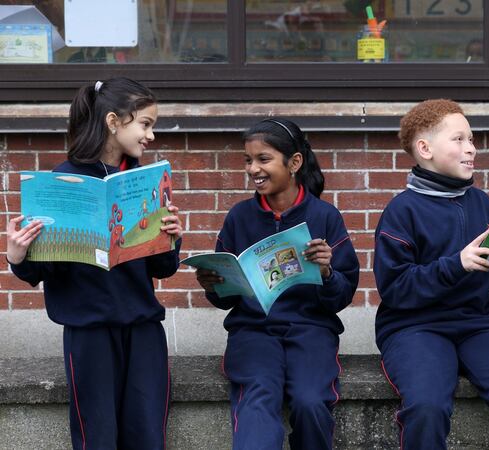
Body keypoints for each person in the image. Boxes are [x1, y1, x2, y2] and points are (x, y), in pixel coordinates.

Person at [6, 77, 184, 449]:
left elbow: (162, 269)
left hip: (143, 329)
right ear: (114, 121)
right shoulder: (61, 180)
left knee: (148, 435)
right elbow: (40, 270)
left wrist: (171, 236)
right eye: (146, 124)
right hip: (89, 334)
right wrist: (18, 255)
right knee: (96, 437)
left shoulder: (142, 181)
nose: (151, 135)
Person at [373, 99, 489, 450]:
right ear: (425, 149)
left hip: (480, 321)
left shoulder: (481, 201)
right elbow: (395, 289)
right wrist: (457, 264)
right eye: (459, 140)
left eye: (472, 140)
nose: (471, 148)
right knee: (426, 406)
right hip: (415, 327)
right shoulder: (401, 211)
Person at [194, 118, 359, 449]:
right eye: (248, 160)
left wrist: (327, 273)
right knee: (257, 395)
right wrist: (212, 283)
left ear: (294, 162)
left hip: (311, 330)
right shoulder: (239, 217)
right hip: (253, 332)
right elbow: (226, 299)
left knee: (311, 400)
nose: (254, 168)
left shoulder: (325, 217)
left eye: (263, 159)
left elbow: (343, 294)